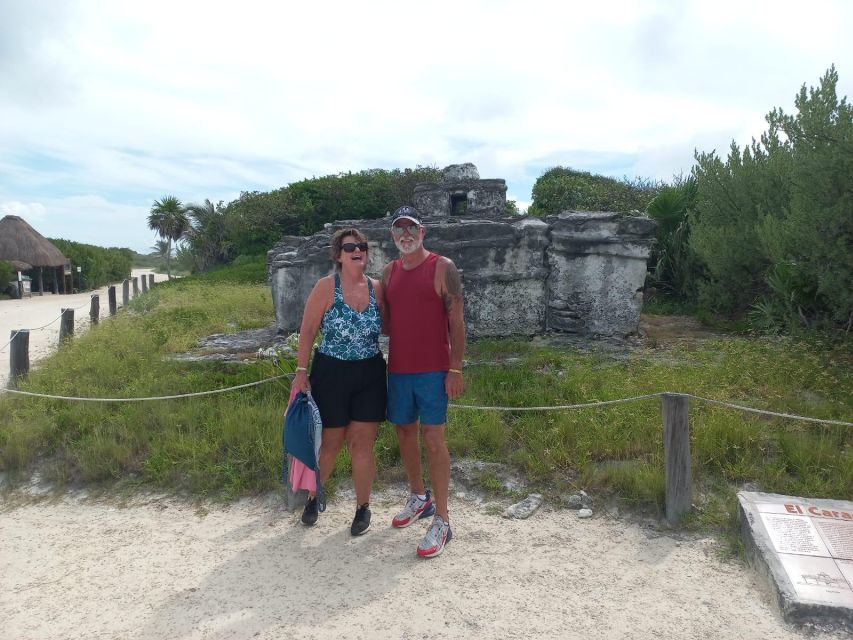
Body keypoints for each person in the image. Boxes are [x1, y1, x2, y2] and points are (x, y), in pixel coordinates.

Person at [382, 205, 466, 558]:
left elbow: (457, 322)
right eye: (399, 229)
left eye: (411, 228)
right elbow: (387, 323)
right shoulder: (388, 272)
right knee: (404, 430)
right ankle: (420, 496)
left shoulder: (442, 267)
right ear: (393, 236)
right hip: (399, 368)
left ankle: (443, 521)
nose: (406, 234)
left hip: (433, 370)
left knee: (434, 439)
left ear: (423, 232)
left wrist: (456, 368)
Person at [292, 227, 387, 536]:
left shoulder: (377, 288)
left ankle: (363, 507)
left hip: (369, 373)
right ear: (338, 255)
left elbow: (390, 327)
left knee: (362, 445)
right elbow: (307, 331)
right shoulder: (325, 287)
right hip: (331, 372)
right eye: (350, 247)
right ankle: (313, 496)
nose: (357, 250)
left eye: (362, 245)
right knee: (331, 443)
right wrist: (301, 371)